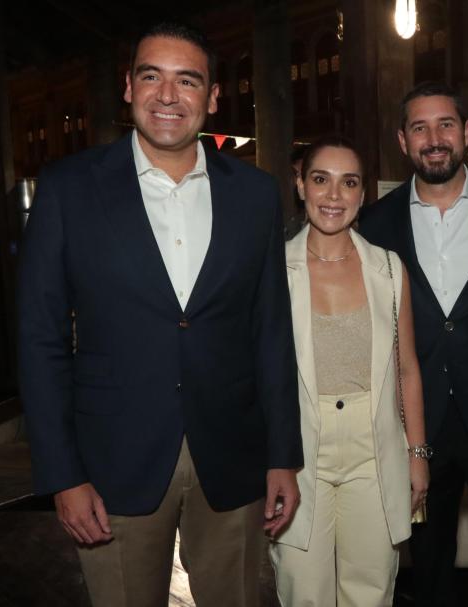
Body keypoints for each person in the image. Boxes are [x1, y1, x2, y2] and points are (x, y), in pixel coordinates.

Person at [17, 22, 302, 607]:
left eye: (187, 81)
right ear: (128, 87)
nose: (168, 96)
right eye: (152, 76)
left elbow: (270, 331)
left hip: (232, 454)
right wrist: (62, 474)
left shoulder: (255, 194)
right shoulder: (69, 188)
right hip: (113, 459)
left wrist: (282, 457)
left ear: (213, 97)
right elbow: (40, 338)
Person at [358, 81, 468, 606]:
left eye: (445, 125)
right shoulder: (375, 222)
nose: (434, 138)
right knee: (428, 572)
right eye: (420, 127)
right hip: (416, 428)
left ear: (467, 133)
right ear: (402, 140)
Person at [270, 136, 431, 605]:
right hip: (299, 450)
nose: (334, 196)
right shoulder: (275, 270)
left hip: (374, 447)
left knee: (372, 587)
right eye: (321, 180)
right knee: (303, 588)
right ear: (301, 185)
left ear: (363, 195)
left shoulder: (387, 267)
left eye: (349, 183)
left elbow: (407, 369)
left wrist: (417, 454)